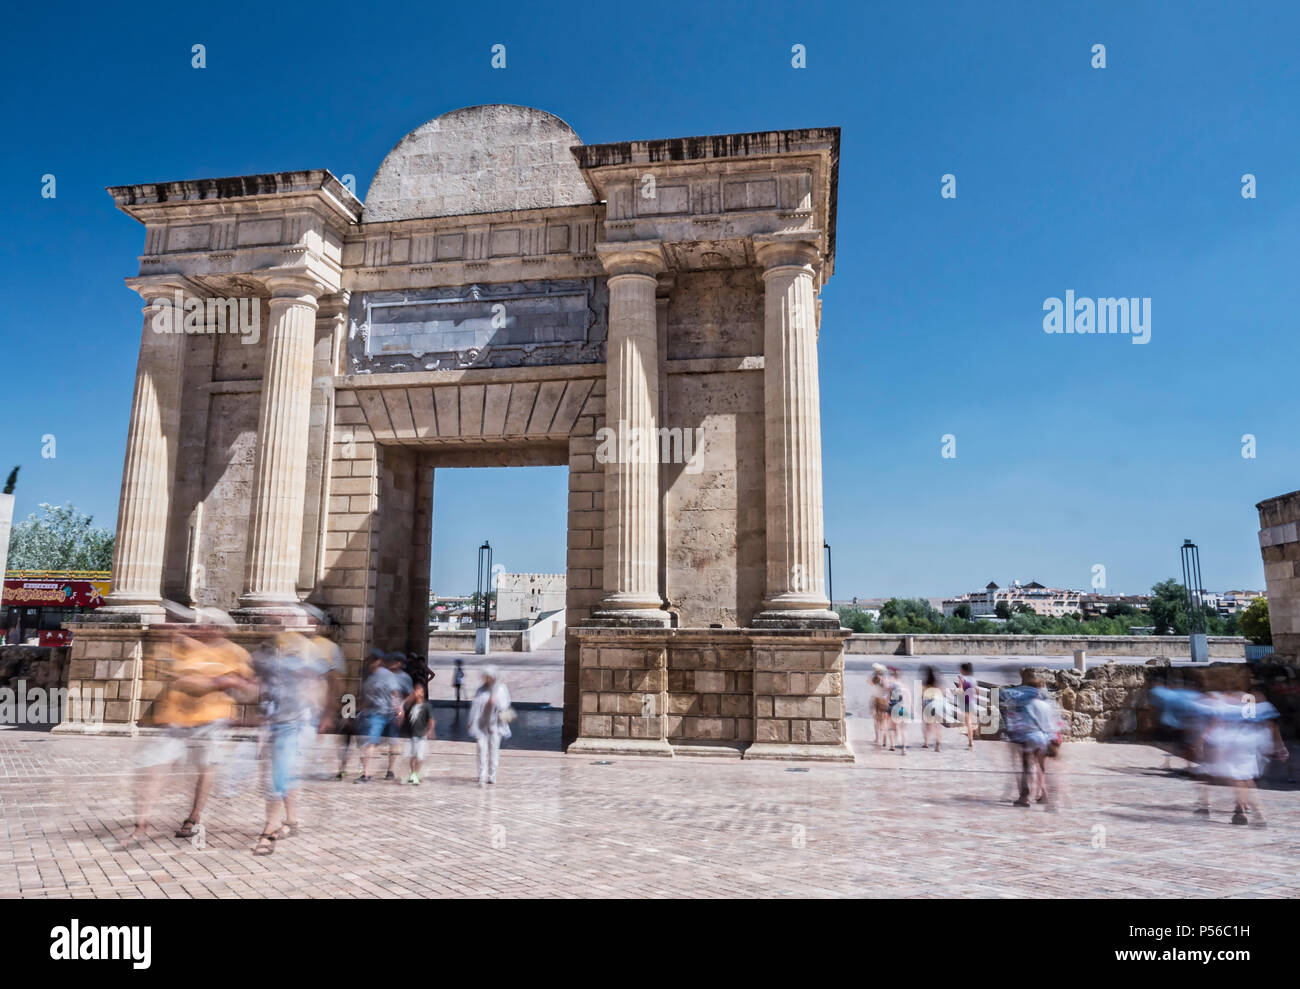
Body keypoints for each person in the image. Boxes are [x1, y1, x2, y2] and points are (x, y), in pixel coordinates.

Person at [130, 631, 254, 844]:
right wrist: (216, 681)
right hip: (177, 720)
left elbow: (249, 688)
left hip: (212, 721)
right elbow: (170, 674)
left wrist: (226, 684)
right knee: (155, 768)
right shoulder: (182, 647)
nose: (205, 627)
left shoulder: (234, 651)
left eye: (212, 624)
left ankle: (194, 817)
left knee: (205, 770)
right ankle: (141, 823)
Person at [251, 631, 341, 855]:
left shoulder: (315, 654)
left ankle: (269, 830)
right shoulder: (270, 652)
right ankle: (291, 820)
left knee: (278, 775)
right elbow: (261, 687)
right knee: (283, 774)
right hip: (275, 722)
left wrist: (325, 714)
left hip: (296, 725)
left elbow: (329, 683)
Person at [357, 651, 402, 783]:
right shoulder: (371, 677)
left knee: (374, 743)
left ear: (378, 661)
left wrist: (398, 710)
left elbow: (394, 693)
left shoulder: (384, 675)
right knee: (373, 743)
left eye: (373, 659)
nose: (370, 662)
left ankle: (372, 774)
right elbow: (368, 698)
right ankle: (374, 773)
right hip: (376, 713)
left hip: (384, 714)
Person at [468, 666, 513, 784]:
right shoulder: (480, 690)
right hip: (481, 725)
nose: (486, 679)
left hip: (496, 726)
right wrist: (471, 721)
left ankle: (492, 774)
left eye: (488, 676)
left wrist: (496, 701)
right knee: (481, 749)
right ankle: (481, 774)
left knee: (493, 749)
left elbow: (505, 706)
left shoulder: (501, 689)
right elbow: (475, 707)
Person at [403, 681, 436, 784]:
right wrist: (411, 696)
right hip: (411, 734)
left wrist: (431, 730)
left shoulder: (427, 706)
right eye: (416, 691)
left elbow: (431, 720)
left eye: (419, 691)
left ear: (422, 693)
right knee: (412, 755)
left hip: (421, 734)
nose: (417, 693)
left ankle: (416, 774)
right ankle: (412, 773)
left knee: (420, 756)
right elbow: (404, 705)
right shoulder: (411, 705)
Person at [920, 666, 944, 751]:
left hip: (928, 704)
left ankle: (926, 743)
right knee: (937, 725)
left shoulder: (925, 683)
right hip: (937, 704)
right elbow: (942, 693)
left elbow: (922, 696)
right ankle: (938, 744)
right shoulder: (937, 683)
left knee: (926, 725)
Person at [955, 662, 978, 748]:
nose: (960, 671)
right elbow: (977, 690)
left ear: (964, 670)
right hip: (972, 702)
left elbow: (960, 690)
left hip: (966, 702)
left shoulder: (962, 678)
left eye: (961, 669)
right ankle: (971, 739)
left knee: (968, 722)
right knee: (970, 721)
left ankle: (971, 741)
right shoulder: (973, 679)